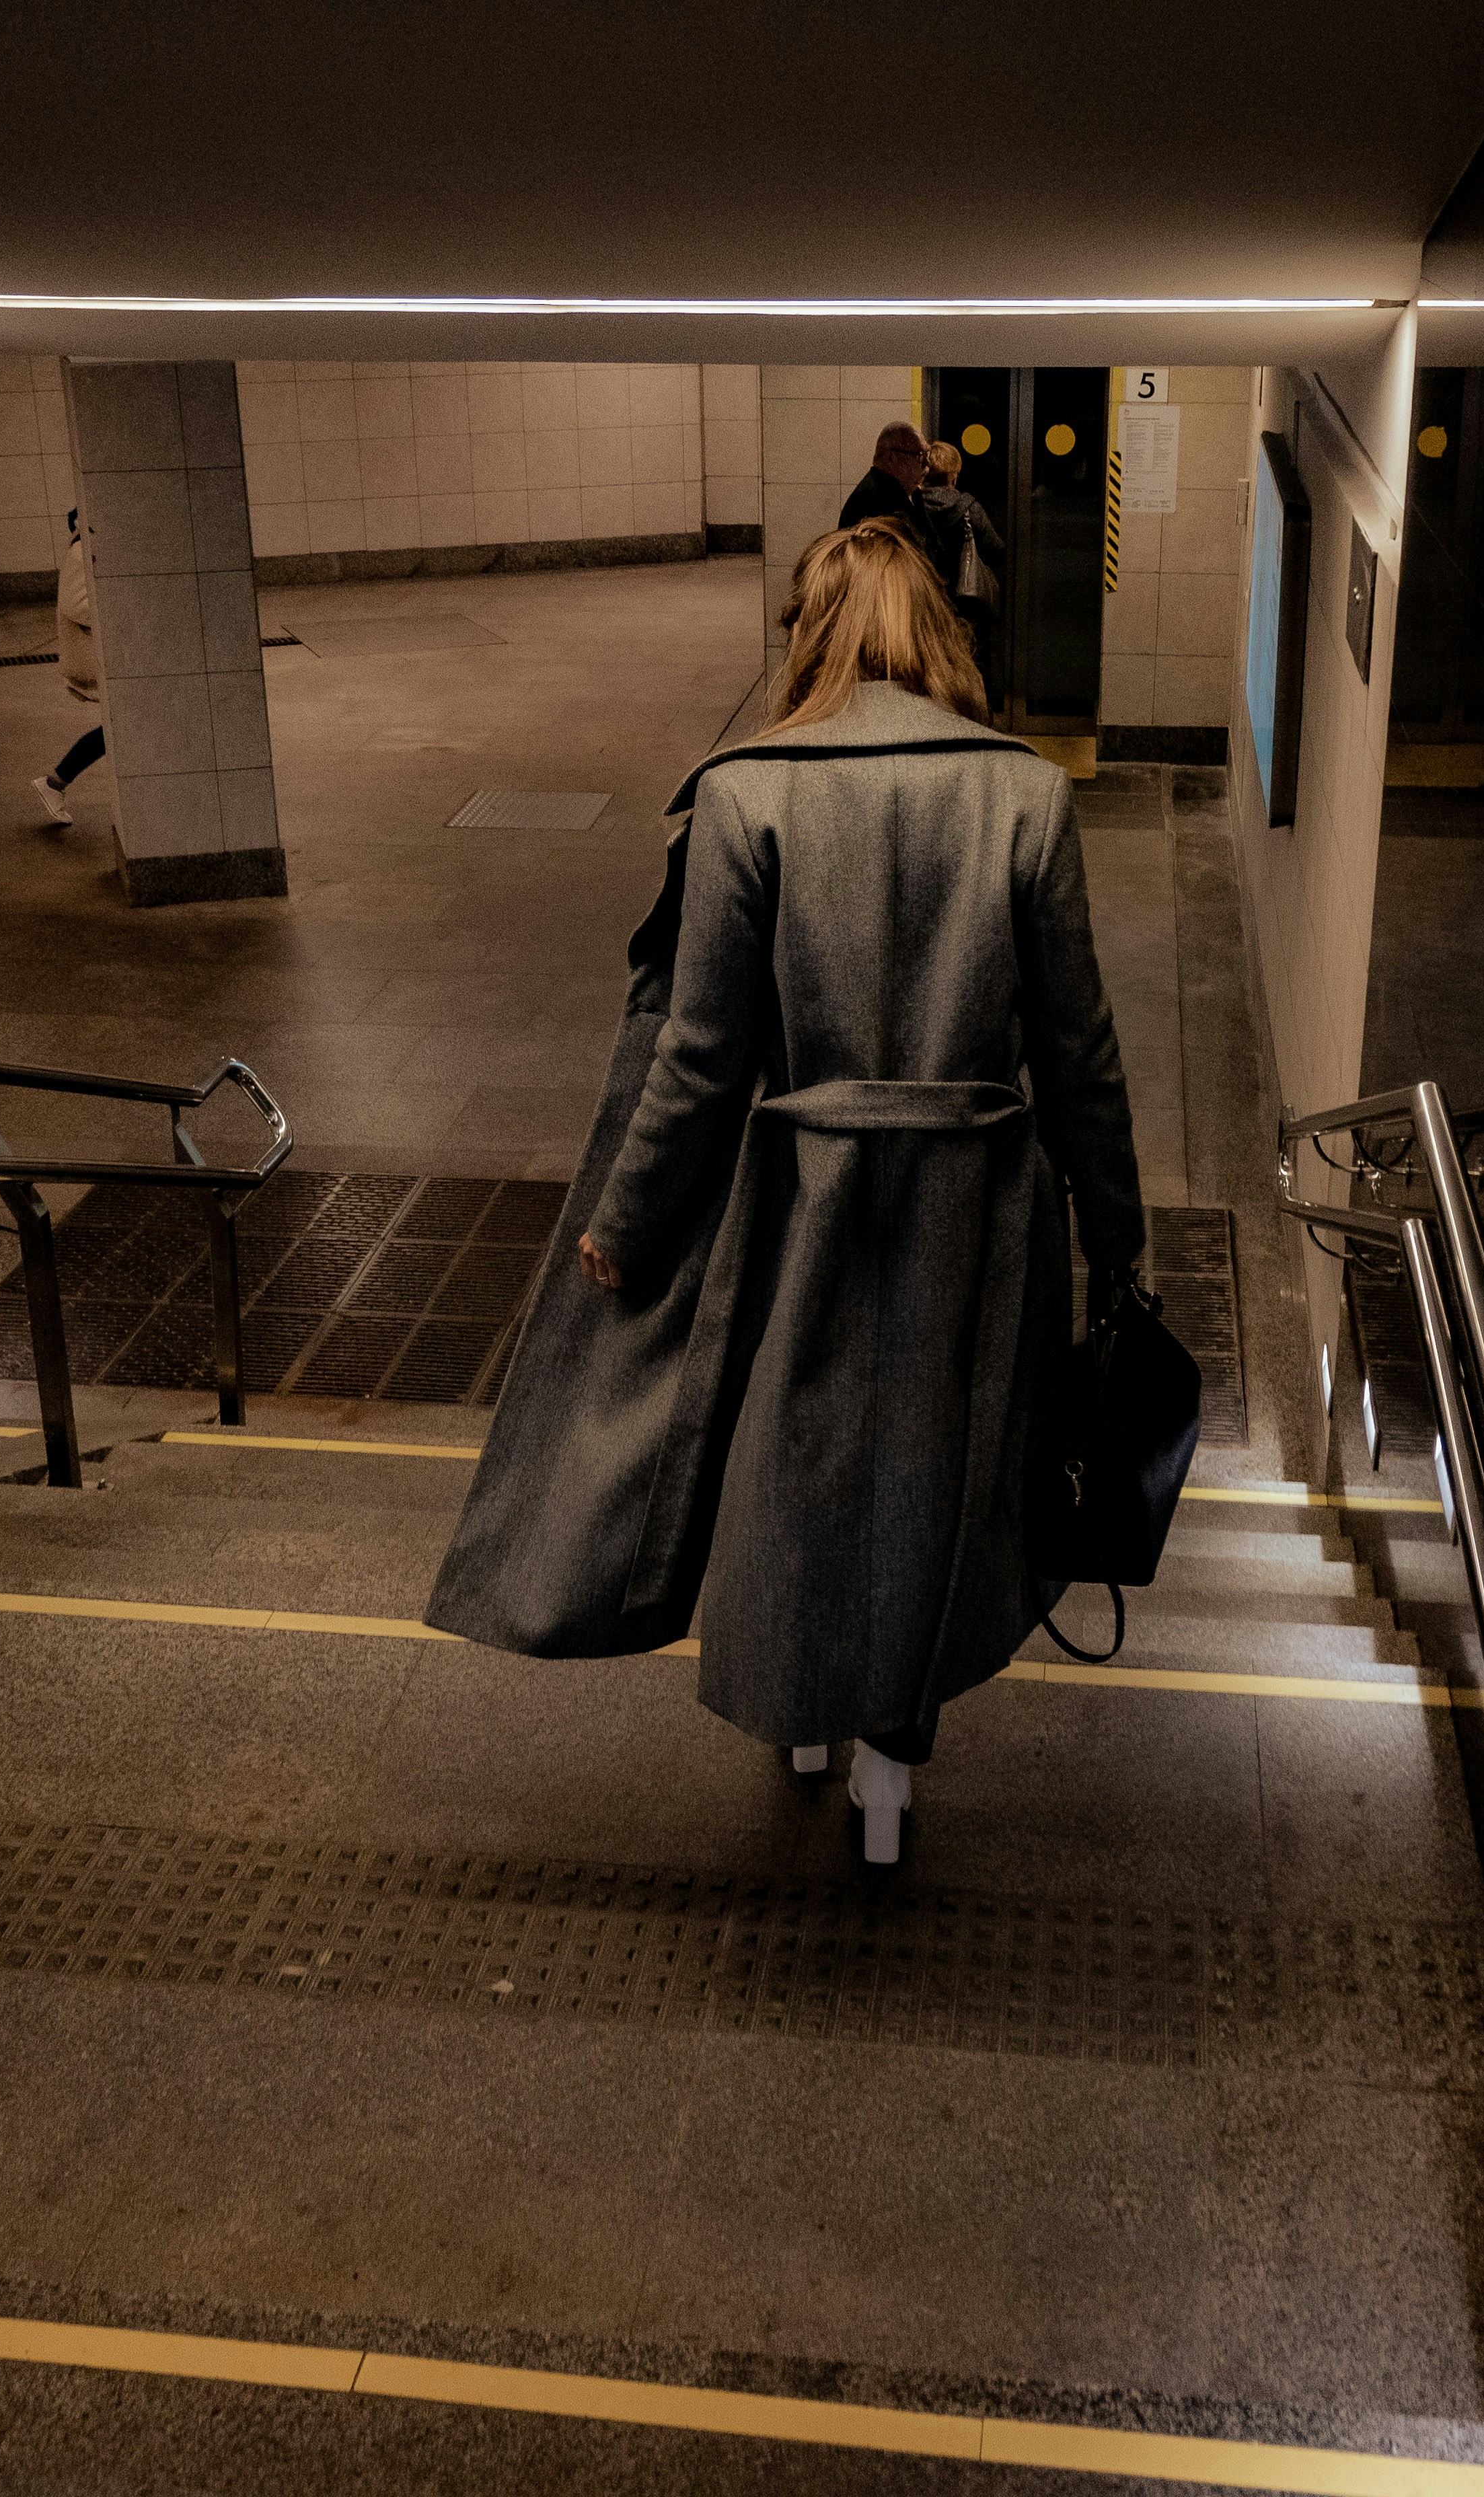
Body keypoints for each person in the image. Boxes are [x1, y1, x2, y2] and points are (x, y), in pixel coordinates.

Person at [424, 516, 1145, 1867]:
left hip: (801, 1195)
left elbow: (701, 1055)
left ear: (811, 633)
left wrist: (627, 1222)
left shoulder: (747, 793)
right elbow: (1079, 1053)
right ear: (939, 630)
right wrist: (1116, 1237)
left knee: (798, 1460)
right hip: (978, 1206)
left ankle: (803, 1715)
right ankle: (890, 1766)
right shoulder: (1025, 795)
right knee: (934, 1470)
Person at [917, 435, 1011, 703]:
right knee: (972, 660)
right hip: (965, 601)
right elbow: (996, 549)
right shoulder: (969, 508)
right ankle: (975, 713)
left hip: (923, 598)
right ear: (954, 475)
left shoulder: (913, 506)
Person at [24, 507, 102, 826]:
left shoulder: (91, 548)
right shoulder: (83, 551)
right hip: (95, 654)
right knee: (118, 728)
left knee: (117, 729)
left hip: (101, 654)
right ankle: (54, 783)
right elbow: (77, 605)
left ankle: (55, 783)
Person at [836, 420, 928, 532]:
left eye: (927, 454)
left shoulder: (886, 489)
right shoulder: (880, 500)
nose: (927, 462)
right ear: (892, 457)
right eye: (920, 455)